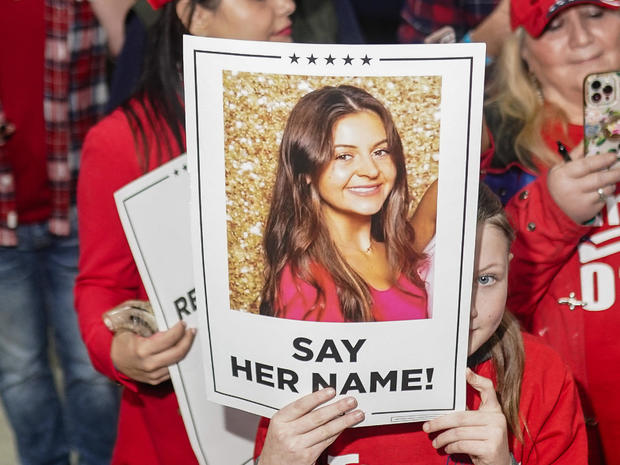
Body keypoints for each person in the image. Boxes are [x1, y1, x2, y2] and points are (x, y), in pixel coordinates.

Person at [74, 0, 296, 464]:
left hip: (307, 414)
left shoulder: (321, 114)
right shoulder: (123, 143)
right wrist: (119, 350)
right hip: (182, 431)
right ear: (194, 15)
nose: (287, 4)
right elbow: (101, 284)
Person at [254, 183, 587, 464]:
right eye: (433, 277)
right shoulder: (315, 373)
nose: (464, 309)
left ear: (509, 270)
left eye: (485, 279)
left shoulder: (542, 374)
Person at [482, 0, 620, 462]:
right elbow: (480, 313)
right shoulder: (492, 154)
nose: (582, 39)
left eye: (597, 15)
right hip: (563, 427)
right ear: (523, 51)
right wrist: (550, 210)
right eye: (554, 25)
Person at [0, 2, 120, 464]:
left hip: (77, 210)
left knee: (92, 369)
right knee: (19, 373)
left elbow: (129, 63)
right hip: (4, 222)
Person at [259, 85, 428, 323]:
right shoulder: (303, 281)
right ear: (306, 170)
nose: (370, 170)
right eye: (344, 156)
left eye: (380, 152)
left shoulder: (404, 251)